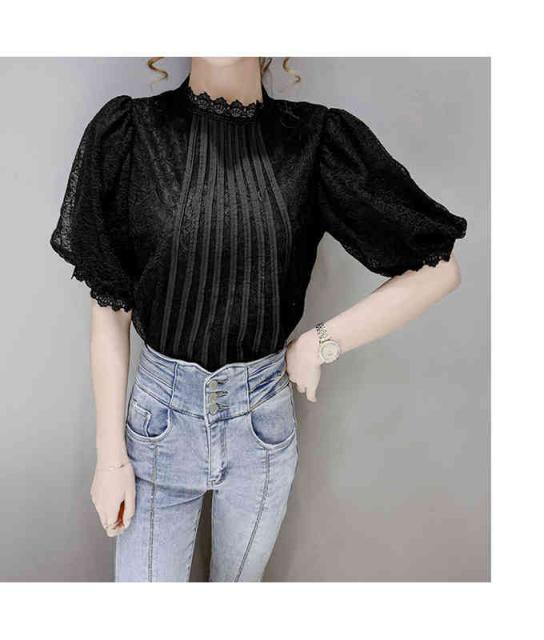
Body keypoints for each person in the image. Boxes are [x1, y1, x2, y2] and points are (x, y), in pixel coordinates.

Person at [50, 57, 467, 582]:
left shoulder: (315, 142)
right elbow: (110, 308)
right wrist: (110, 457)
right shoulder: (132, 133)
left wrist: (321, 342)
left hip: (261, 427)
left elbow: (439, 269)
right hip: (158, 425)